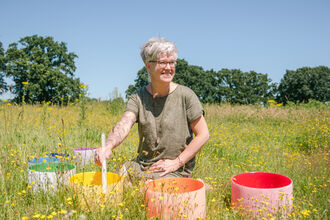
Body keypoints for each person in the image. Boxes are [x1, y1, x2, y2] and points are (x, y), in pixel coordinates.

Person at [95, 37, 209, 182]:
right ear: (148, 66)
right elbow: (124, 124)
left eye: (172, 62)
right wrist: (108, 146)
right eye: (162, 62)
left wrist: (177, 162)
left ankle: (194, 186)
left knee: (150, 188)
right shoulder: (138, 97)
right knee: (117, 180)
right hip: (143, 165)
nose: (168, 67)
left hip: (173, 168)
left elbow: (203, 134)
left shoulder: (186, 95)